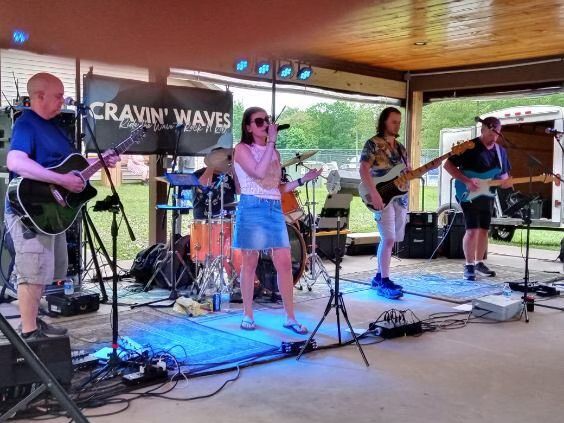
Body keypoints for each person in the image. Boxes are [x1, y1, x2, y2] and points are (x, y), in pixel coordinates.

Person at [5, 72, 120, 340]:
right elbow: (15, 162)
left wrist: (100, 161)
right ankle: (29, 332)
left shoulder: (56, 128)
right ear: (38, 96)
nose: (63, 101)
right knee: (32, 271)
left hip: (53, 211)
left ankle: (34, 321)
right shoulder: (27, 124)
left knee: (47, 271)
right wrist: (60, 180)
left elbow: (72, 170)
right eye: (58, 96)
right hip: (30, 210)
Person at [232, 107, 321, 332]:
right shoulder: (242, 149)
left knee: (283, 261)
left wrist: (302, 180)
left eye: (267, 120)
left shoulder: (275, 153)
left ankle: (290, 317)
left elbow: (276, 187)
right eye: (259, 121)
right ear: (248, 127)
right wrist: (271, 142)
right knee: (250, 261)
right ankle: (248, 314)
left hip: (272, 207)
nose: (265, 124)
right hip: (251, 205)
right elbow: (258, 174)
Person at [444, 116, 511, 280]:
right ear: (482, 130)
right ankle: (469, 265)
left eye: (497, 134)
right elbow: (448, 165)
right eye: (491, 133)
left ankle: (479, 262)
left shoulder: (501, 152)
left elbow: (504, 177)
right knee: (472, 230)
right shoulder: (470, 146)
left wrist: (506, 183)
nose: (493, 137)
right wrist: (466, 181)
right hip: (467, 193)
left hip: (487, 195)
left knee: (483, 230)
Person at [359, 107, 410, 299]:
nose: (397, 125)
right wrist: (374, 193)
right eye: (394, 121)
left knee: (393, 238)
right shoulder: (373, 144)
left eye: (399, 121)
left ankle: (380, 276)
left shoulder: (401, 148)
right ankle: (385, 281)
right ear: (384, 123)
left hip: (400, 197)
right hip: (381, 196)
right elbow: (363, 169)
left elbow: (406, 171)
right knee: (388, 238)